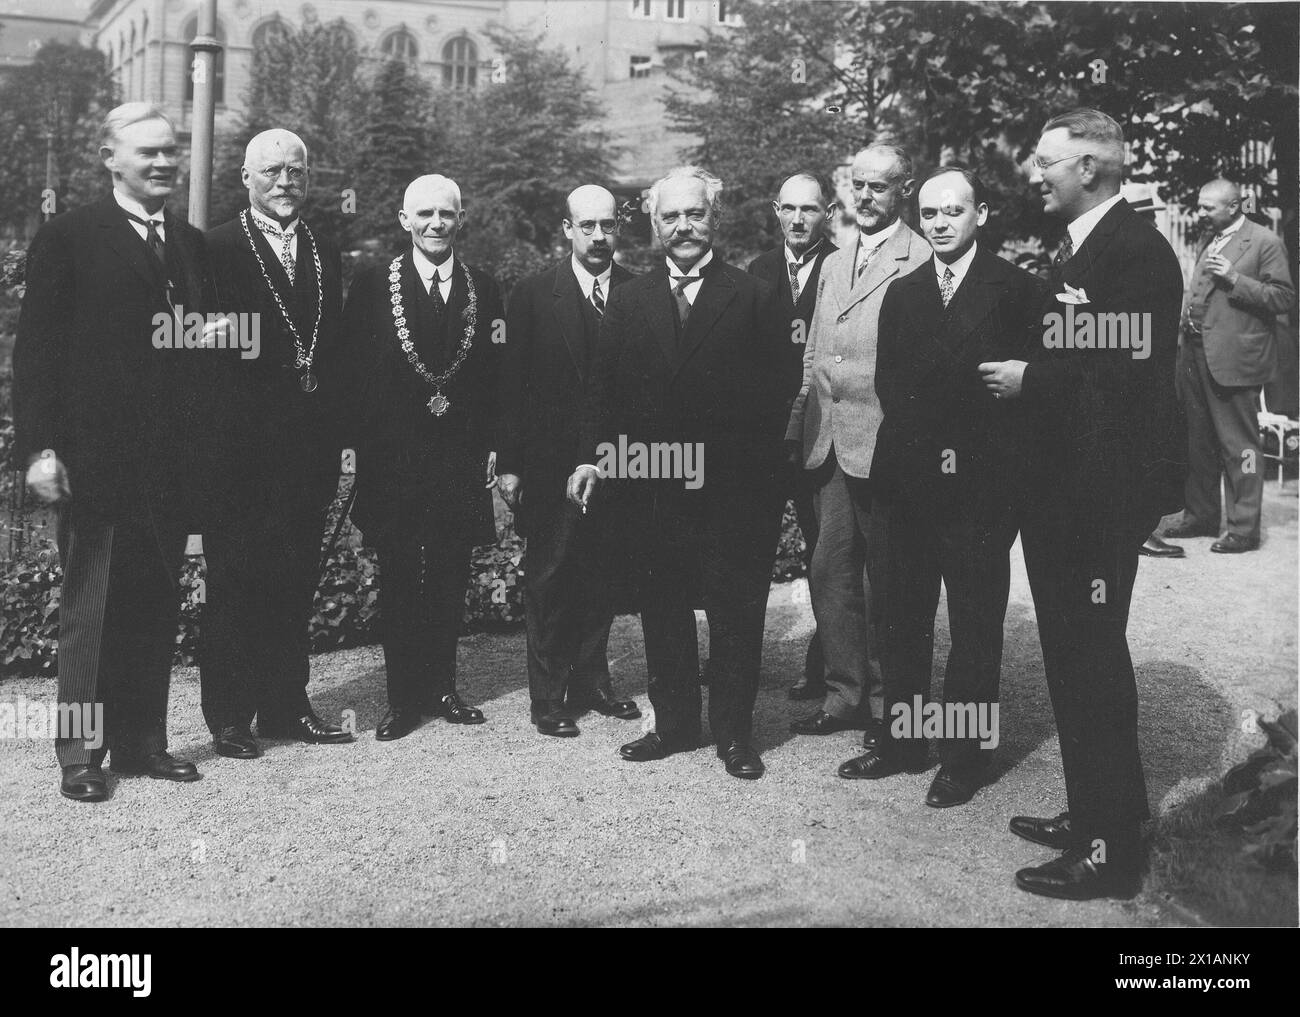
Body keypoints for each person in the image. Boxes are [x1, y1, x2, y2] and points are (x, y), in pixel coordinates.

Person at [979, 109, 1185, 899]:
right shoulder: (1085, 243)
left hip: (1098, 497)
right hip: (1065, 490)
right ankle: (1098, 812)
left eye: (1048, 162)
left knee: (1092, 660)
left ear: (1093, 166)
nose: (1037, 173)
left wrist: (1035, 378)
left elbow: (1123, 374)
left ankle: (1108, 853)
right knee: (1074, 658)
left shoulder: (1136, 253)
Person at [14, 103, 223, 800]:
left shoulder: (191, 245)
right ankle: (81, 753)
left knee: (153, 607)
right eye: (148, 153)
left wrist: (211, 335)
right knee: (91, 612)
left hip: (169, 468)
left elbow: (187, 343)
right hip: (95, 464)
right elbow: (37, 354)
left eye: (170, 152)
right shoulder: (69, 237)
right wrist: (40, 450)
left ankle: (141, 742)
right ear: (111, 159)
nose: (164, 162)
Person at [567, 166, 790, 779]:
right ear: (654, 224)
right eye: (671, 216)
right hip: (650, 490)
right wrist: (591, 456)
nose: (684, 226)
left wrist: (753, 474)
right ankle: (674, 724)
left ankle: (735, 735)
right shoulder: (631, 298)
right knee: (662, 606)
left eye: (695, 214)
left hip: (731, 490)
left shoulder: (751, 295)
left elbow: (779, 392)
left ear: (713, 220)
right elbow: (600, 389)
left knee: (734, 610)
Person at [838, 166, 1043, 807]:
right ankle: (903, 742)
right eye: (930, 214)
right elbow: (891, 388)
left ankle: (965, 756)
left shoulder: (1017, 290)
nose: (941, 223)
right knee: (902, 620)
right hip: (910, 483)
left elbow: (1024, 396)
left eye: (954, 211)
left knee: (975, 627)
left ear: (981, 214)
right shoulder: (903, 293)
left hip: (982, 490)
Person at [200, 129, 353, 758]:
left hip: (307, 447)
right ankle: (230, 717)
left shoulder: (326, 250)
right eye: (271, 172)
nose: (284, 183)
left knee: (294, 580)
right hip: (240, 449)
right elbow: (202, 347)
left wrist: (343, 437)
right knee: (236, 580)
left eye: (296, 172)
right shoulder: (214, 248)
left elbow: (336, 349)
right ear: (246, 177)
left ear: (309, 179)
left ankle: (287, 704)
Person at [343, 174, 503, 741]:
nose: (437, 223)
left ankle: (443, 687)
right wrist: (362, 451)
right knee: (402, 579)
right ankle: (401, 699)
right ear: (404, 221)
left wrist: (494, 448)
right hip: (395, 464)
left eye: (447, 214)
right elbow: (353, 379)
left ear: (461, 220)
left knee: (449, 578)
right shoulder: (369, 287)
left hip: (458, 462)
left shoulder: (485, 288)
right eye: (425, 214)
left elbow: (497, 379)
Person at [785, 144, 931, 745]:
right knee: (830, 568)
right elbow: (814, 353)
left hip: (889, 443)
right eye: (858, 187)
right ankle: (847, 695)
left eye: (879, 187)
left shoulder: (920, 257)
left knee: (894, 580)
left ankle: (897, 706)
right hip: (829, 440)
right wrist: (797, 427)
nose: (866, 198)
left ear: (904, 190)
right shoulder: (833, 261)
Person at [497, 185, 641, 737]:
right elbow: (511, 386)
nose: (599, 237)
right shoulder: (534, 296)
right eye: (588, 226)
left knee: (602, 575)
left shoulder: (637, 291)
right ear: (567, 229)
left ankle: (593, 681)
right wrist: (509, 463)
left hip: (614, 464)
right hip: (549, 464)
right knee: (550, 577)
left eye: (608, 226)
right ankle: (548, 695)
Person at [1163, 178, 1296, 554]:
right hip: (1193, 353)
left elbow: (1284, 297)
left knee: (1242, 447)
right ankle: (1201, 516)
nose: (1200, 213)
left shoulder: (1265, 241)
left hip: (1234, 358)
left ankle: (1243, 528)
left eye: (1208, 207)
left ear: (1235, 206)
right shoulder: (1215, 236)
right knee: (1198, 441)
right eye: (1200, 206)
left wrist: (1236, 279)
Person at [746, 171, 837, 703]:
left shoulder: (844, 268)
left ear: (826, 213)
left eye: (810, 209)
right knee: (749, 549)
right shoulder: (756, 273)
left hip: (821, 429)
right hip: (765, 436)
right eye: (790, 209)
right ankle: (739, 656)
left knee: (826, 551)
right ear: (775, 211)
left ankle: (826, 663)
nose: (799, 219)